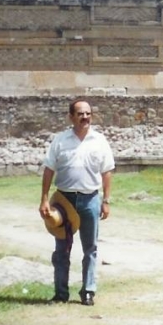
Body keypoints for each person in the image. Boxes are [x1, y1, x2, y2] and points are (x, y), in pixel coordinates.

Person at [39, 99, 115, 305]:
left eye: (88, 113)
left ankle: (88, 291)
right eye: (80, 114)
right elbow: (49, 169)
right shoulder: (60, 141)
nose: (85, 117)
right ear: (71, 117)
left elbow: (107, 171)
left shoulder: (99, 141)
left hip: (90, 199)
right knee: (62, 249)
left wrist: (106, 201)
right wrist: (44, 198)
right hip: (64, 201)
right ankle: (61, 293)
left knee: (90, 248)